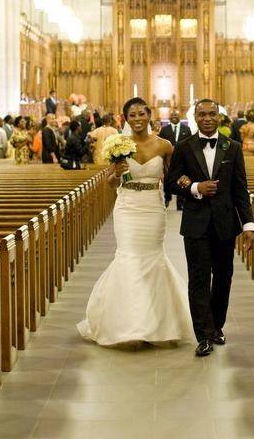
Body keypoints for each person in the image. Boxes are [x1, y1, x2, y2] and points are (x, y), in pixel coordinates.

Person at [77, 97, 192, 346]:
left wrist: (191, 186)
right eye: (132, 115)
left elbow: (174, 178)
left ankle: (156, 322)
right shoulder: (119, 144)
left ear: (149, 115)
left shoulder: (164, 146)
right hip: (127, 207)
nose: (137, 119)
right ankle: (131, 325)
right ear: (126, 118)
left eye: (141, 114)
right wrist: (115, 175)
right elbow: (110, 182)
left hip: (152, 207)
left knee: (152, 258)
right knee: (129, 257)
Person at [165, 98, 254, 357]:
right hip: (195, 223)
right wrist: (195, 188)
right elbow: (171, 182)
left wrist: (248, 224)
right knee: (199, 279)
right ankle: (203, 335)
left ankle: (217, 326)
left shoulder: (233, 147)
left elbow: (240, 189)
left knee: (223, 278)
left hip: (225, 224)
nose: (206, 118)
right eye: (201, 114)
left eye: (211, 114)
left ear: (219, 117)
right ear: (194, 117)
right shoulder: (183, 147)